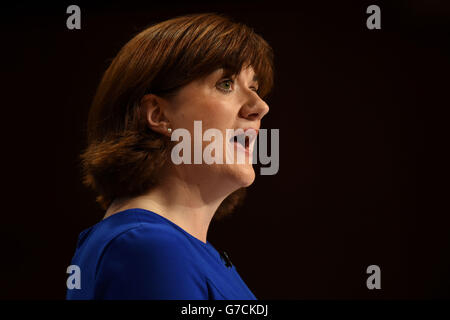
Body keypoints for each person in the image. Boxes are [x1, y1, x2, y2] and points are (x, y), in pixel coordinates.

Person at [66, 12, 274, 300]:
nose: (260, 106)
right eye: (226, 83)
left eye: (254, 87)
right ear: (159, 114)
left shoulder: (162, 247)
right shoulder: (150, 248)